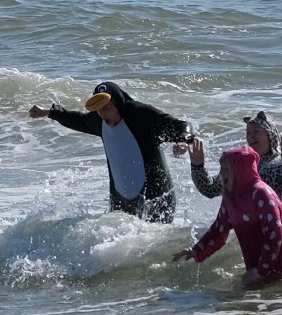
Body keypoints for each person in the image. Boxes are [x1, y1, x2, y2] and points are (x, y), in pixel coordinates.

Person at [29, 81, 193, 223]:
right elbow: (76, 119)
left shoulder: (140, 115)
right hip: (121, 199)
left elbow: (181, 125)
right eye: (98, 110)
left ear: (118, 103)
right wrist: (49, 112)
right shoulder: (98, 121)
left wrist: (183, 140)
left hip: (157, 196)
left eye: (107, 108)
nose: (102, 114)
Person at [173, 145, 282, 288]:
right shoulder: (230, 196)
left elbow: (274, 235)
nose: (221, 174)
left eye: (226, 170)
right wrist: (196, 251)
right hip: (265, 264)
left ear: (240, 171)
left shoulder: (261, 193)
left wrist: (260, 272)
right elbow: (219, 229)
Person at [173, 111, 282, 204]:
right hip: (243, 227)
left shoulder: (279, 163)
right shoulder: (240, 164)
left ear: (270, 135)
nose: (251, 136)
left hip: (272, 226)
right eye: (248, 132)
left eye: (257, 131)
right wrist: (197, 166)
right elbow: (210, 190)